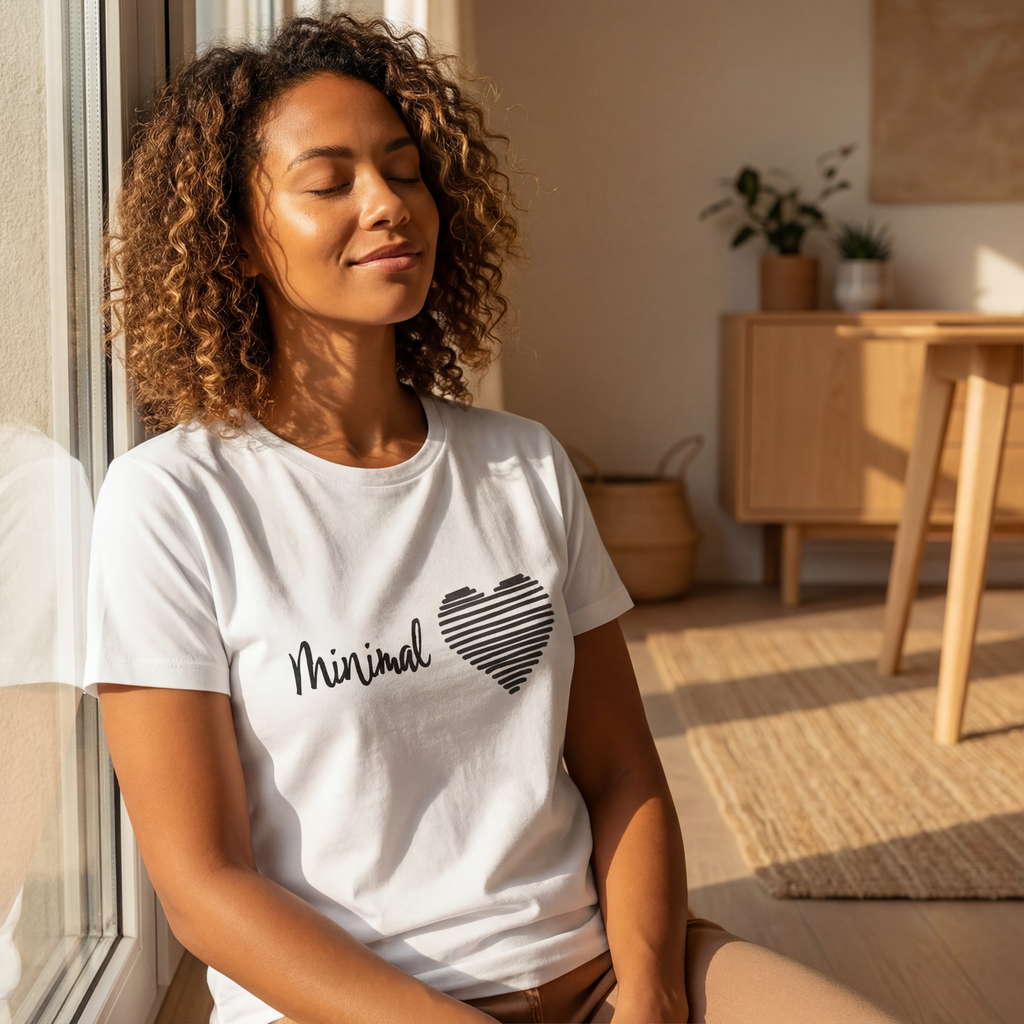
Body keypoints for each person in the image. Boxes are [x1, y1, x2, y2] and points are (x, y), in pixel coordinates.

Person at [88, 14, 906, 1024]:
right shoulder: (170, 501)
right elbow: (203, 888)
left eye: (404, 171)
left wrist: (651, 995)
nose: (389, 204)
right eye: (329, 182)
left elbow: (623, 774)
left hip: (600, 975)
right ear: (238, 239)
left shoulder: (523, 463)